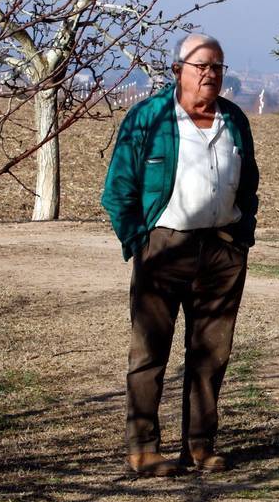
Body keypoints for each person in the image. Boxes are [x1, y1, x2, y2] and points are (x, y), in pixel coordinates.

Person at [101, 33, 258, 477]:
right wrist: (139, 241)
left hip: (222, 251)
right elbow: (118, 190)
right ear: (177, 71)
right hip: (164, 248)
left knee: (212, 353)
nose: (211, 74)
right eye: (201, 66)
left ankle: (200, 446)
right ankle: (143, 448)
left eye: (217, 67)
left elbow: (250, 183)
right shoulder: (148, 118)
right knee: (149, 351)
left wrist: (241, 236)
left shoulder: (234, 120)